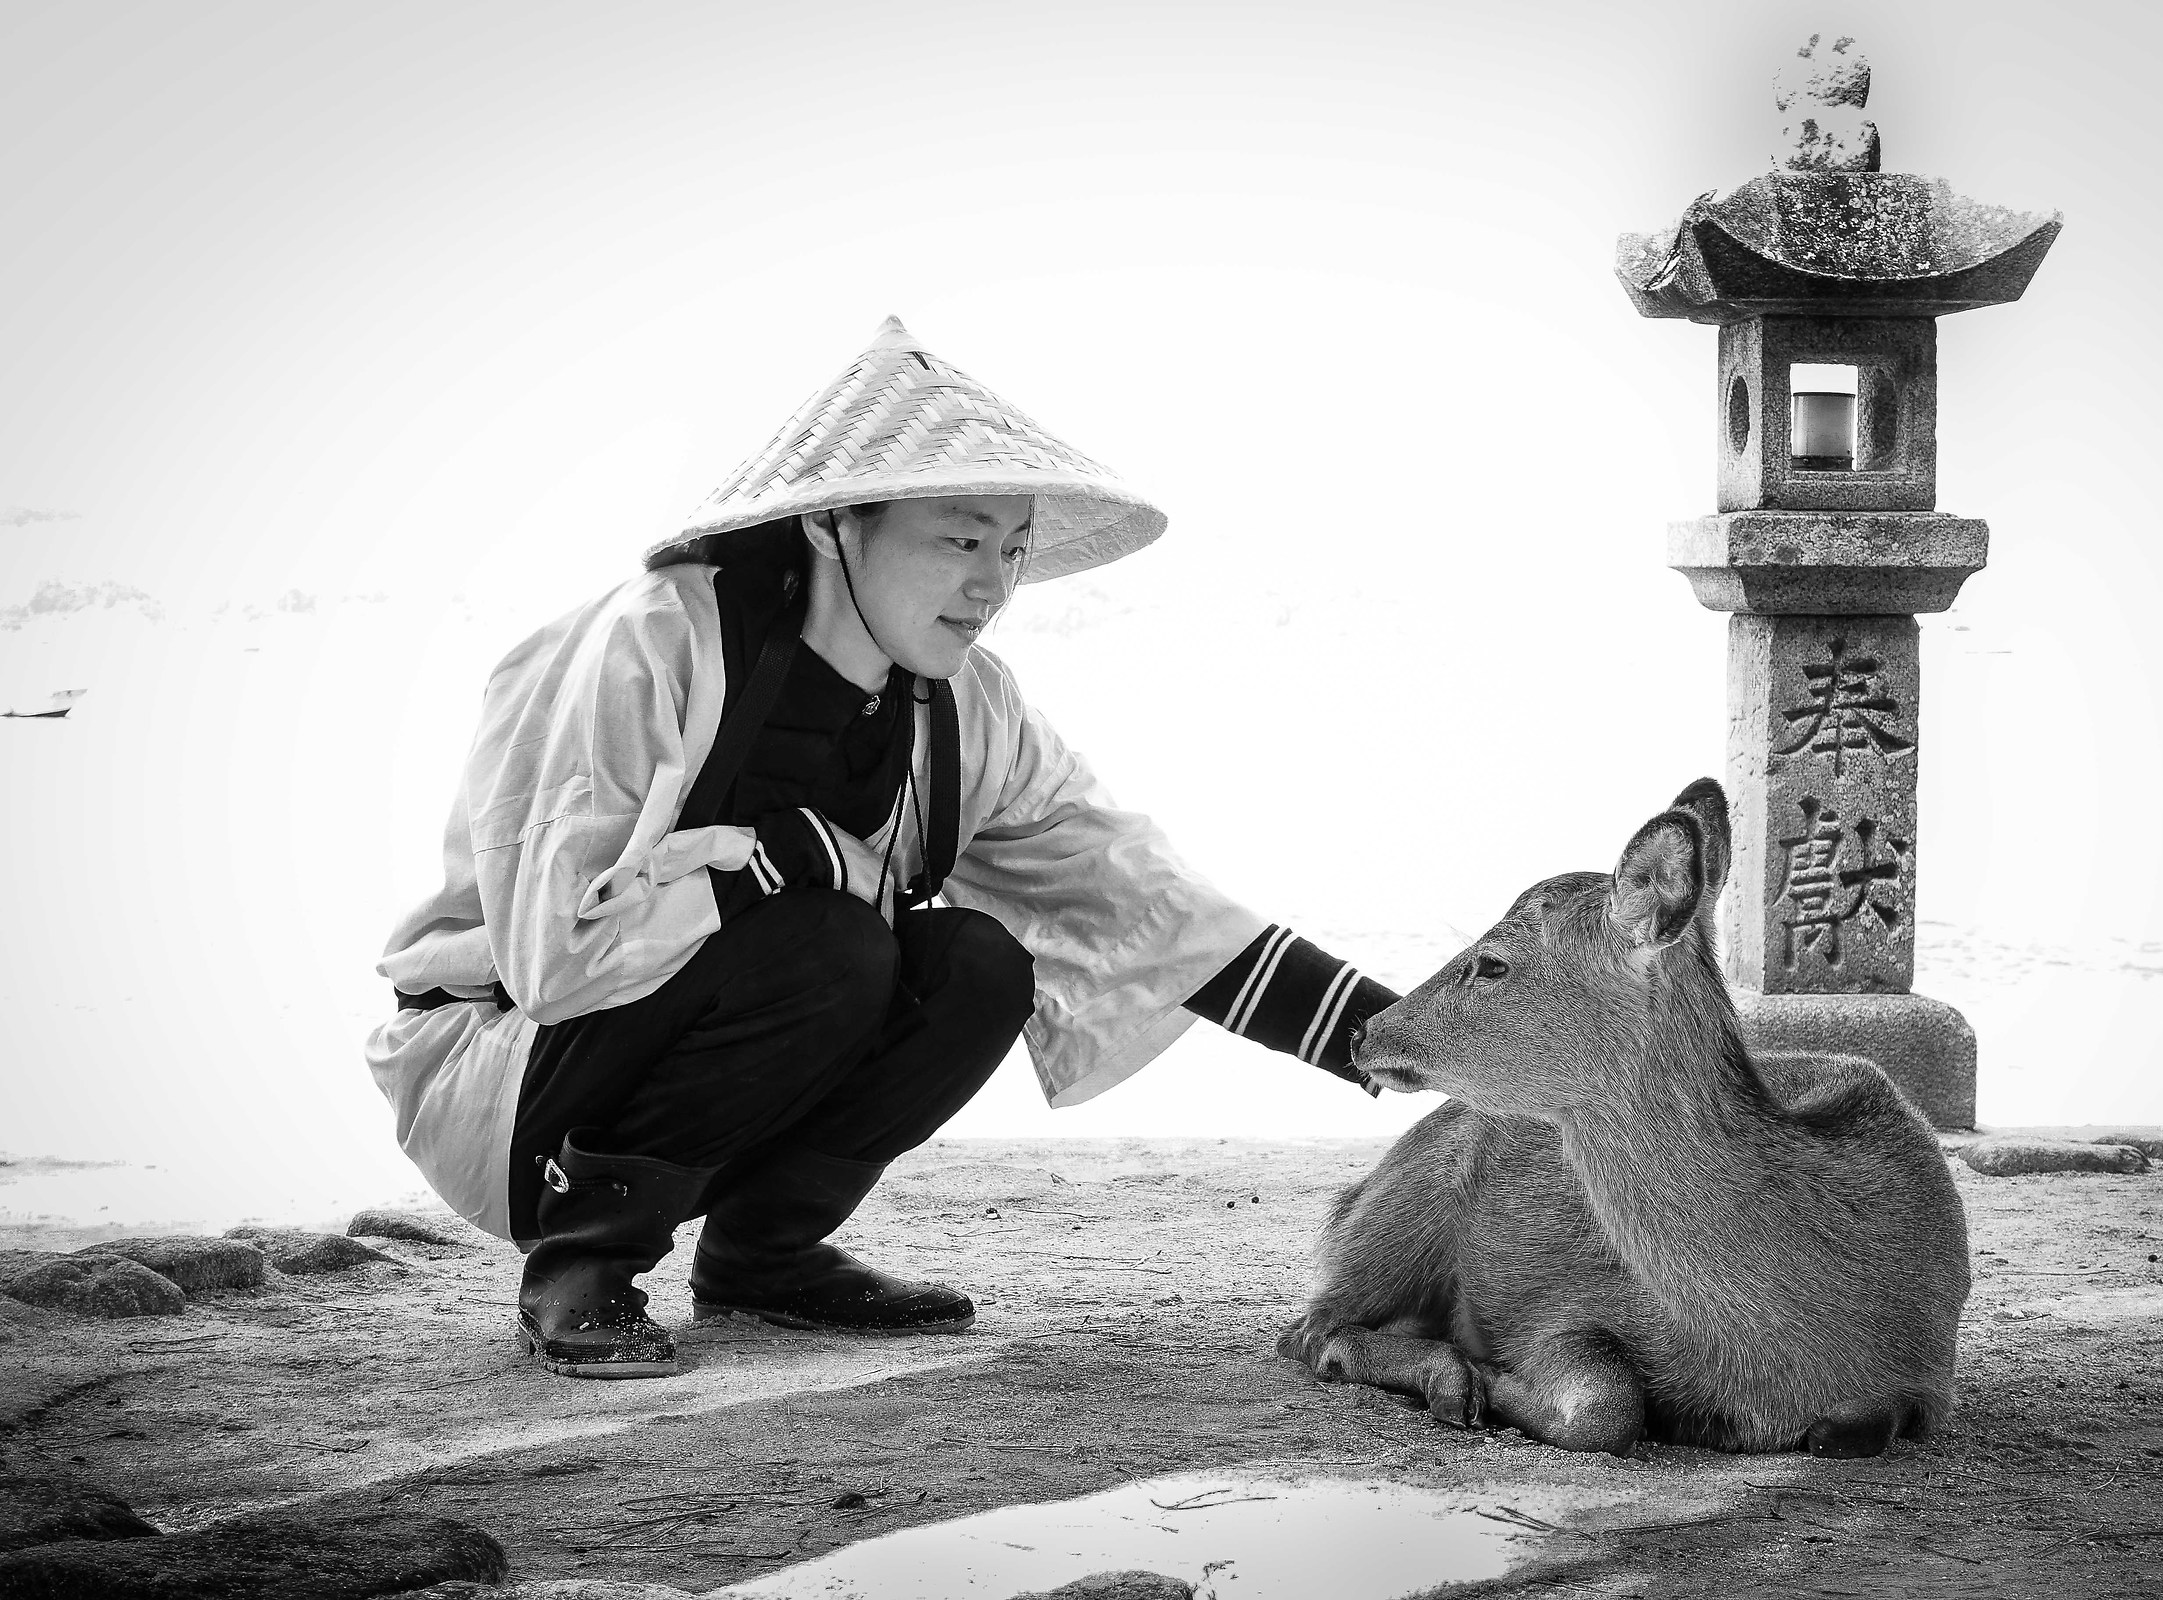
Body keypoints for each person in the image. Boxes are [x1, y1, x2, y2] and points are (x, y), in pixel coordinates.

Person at [366, 317, 1398, 1379]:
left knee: (978, 963)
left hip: (718, 1040)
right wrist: (786, 858)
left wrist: (1408, 1039)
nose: (992, 587)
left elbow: (1139, 899)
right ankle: (584, 1260)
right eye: (960, 540)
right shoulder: (650, 648)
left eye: (1013, 548)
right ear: (831, 525)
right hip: (511, 1075)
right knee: (832, 942)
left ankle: (764, 1252)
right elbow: (555, 958)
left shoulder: (967, 710)